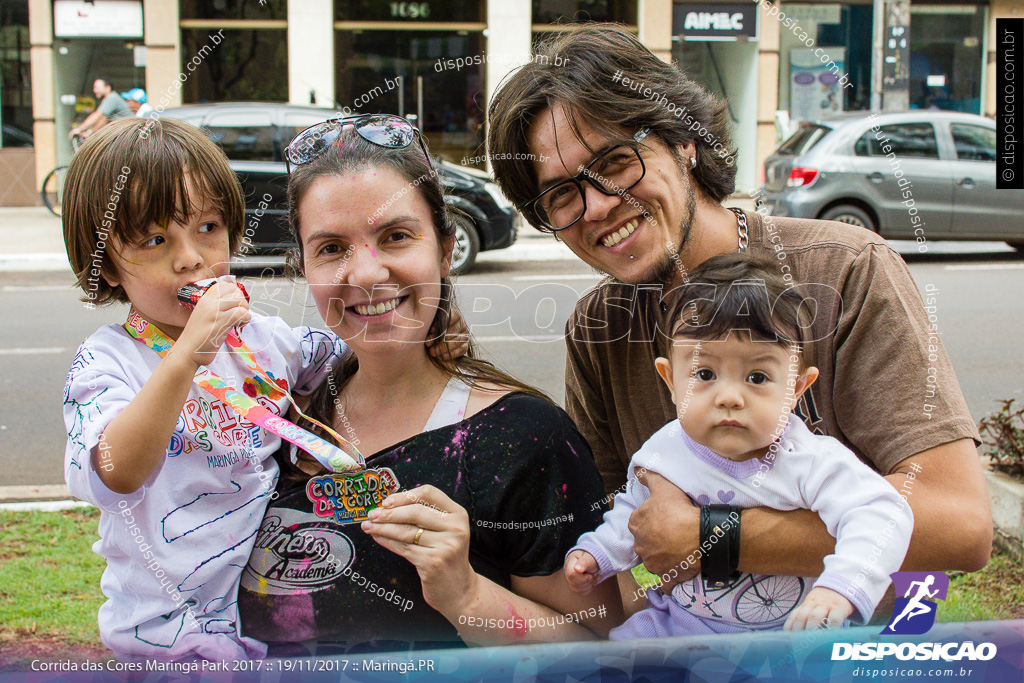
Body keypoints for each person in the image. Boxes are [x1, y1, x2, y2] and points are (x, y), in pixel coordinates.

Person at [486, 25, 990, 618]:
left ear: (684, 142)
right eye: (561, 196)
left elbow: (960, 524)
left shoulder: (846, 271)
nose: (595, 204)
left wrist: (712, 537)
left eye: (616, 162)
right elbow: (614, 529)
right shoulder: (601, 326)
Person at [60, 117, 467, 661]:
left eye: (208, 227)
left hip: (257, 621)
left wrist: (431, 335)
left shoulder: (259, 341)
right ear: (106, 263)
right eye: (155, 240)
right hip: (163, 635)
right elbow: (113, 474)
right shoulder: (108, 361)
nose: (190, 257)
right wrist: (187, 357)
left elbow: (345, 350)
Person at [237, 114, 621, 655]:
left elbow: (601, 653)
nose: (366, 275)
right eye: (331, 248)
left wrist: (466, 595)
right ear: (304, 266)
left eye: (395, 237)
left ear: (444, 248)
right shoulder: (271, 422)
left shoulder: (524, 441)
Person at [564, 253, 913, 638]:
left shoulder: (809, 461)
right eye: (705, 373)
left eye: (758, 376)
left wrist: (840, 588)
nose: (729, 397)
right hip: (677, 624)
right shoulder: (664, 450)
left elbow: (881, 513)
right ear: (671, 380)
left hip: (787, 635)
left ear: (797, 388)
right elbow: (635, 512)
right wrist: (598, 553)